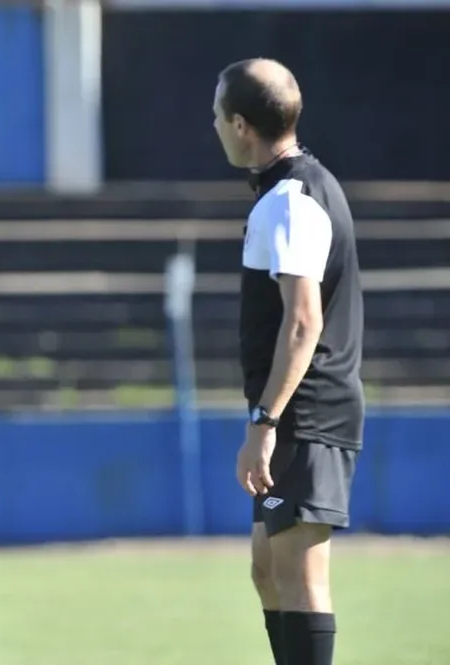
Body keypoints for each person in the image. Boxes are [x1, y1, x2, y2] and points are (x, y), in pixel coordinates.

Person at [212, 58, 365, 665]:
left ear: (242, 125)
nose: (215, 127)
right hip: (296, 412)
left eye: (218, 116)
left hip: (304, 414)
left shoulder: (291, 200)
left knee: (300, 579)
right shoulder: (295, 189)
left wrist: (264, 423)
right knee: (267, 570)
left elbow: (304, 322)